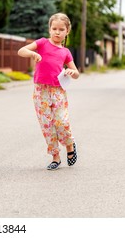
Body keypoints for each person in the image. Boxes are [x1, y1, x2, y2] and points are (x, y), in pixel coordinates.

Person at [18, 13, 79, 170]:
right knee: (47, 124)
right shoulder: (42, 43)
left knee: (61, 121)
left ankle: (70, 144)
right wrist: (33, 53)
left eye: (61, 29)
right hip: (40, 91)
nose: (57, 32)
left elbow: (76, 73)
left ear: (67, 31)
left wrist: (72, 72)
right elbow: (21, 51)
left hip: (58, 90)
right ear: (50, 29)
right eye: (54, 29)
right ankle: (55, 157)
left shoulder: (65, 52)